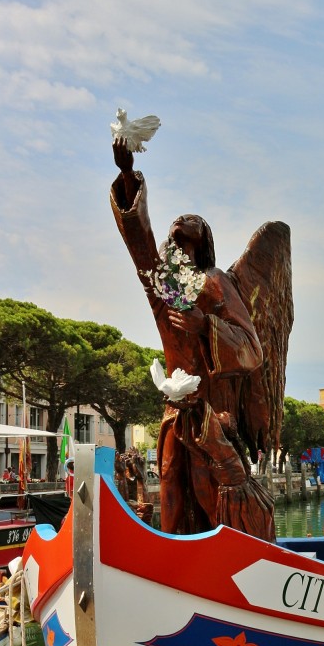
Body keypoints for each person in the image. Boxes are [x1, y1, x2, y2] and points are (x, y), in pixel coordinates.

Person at [111, 138, 275, 541]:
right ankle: (173, 561)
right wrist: (128, 176)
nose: (181, 247)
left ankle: (218, 559)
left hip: (209, 412)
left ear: (202, 245)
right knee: (170, 484)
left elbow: (252, 350)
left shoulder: (216, 283)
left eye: (189, 240)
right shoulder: (164, 284)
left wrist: (206, 325)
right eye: (176, 240)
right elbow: (140, 242)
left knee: (207, 489)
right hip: (174, 408)